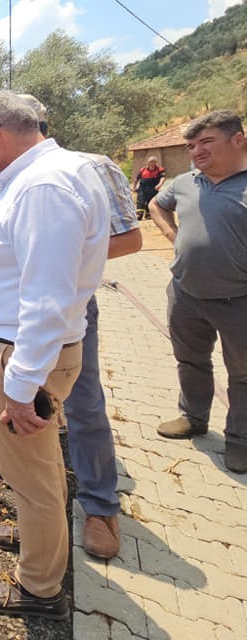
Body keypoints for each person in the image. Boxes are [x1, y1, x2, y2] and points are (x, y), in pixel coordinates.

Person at [0, 95, 141, 562]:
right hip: (26, 347)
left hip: (21, 351)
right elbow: (22, 255)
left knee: (32, 474)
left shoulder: (45, 187)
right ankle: (40, 532)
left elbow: (46, 301)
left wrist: (20, 386)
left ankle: (39, 585)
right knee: (38, 465)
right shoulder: (49, 177)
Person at [148, 110, 247, 473]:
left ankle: (240, 441)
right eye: (191, 146)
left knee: (243, 375)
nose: (196, 152)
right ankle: (193, 417)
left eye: (206, 142)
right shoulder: (186, 181)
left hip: (239, 300)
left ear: (239, 139)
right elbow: (156, 204)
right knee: (190, 361)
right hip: (186, 294)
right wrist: (173, 237)